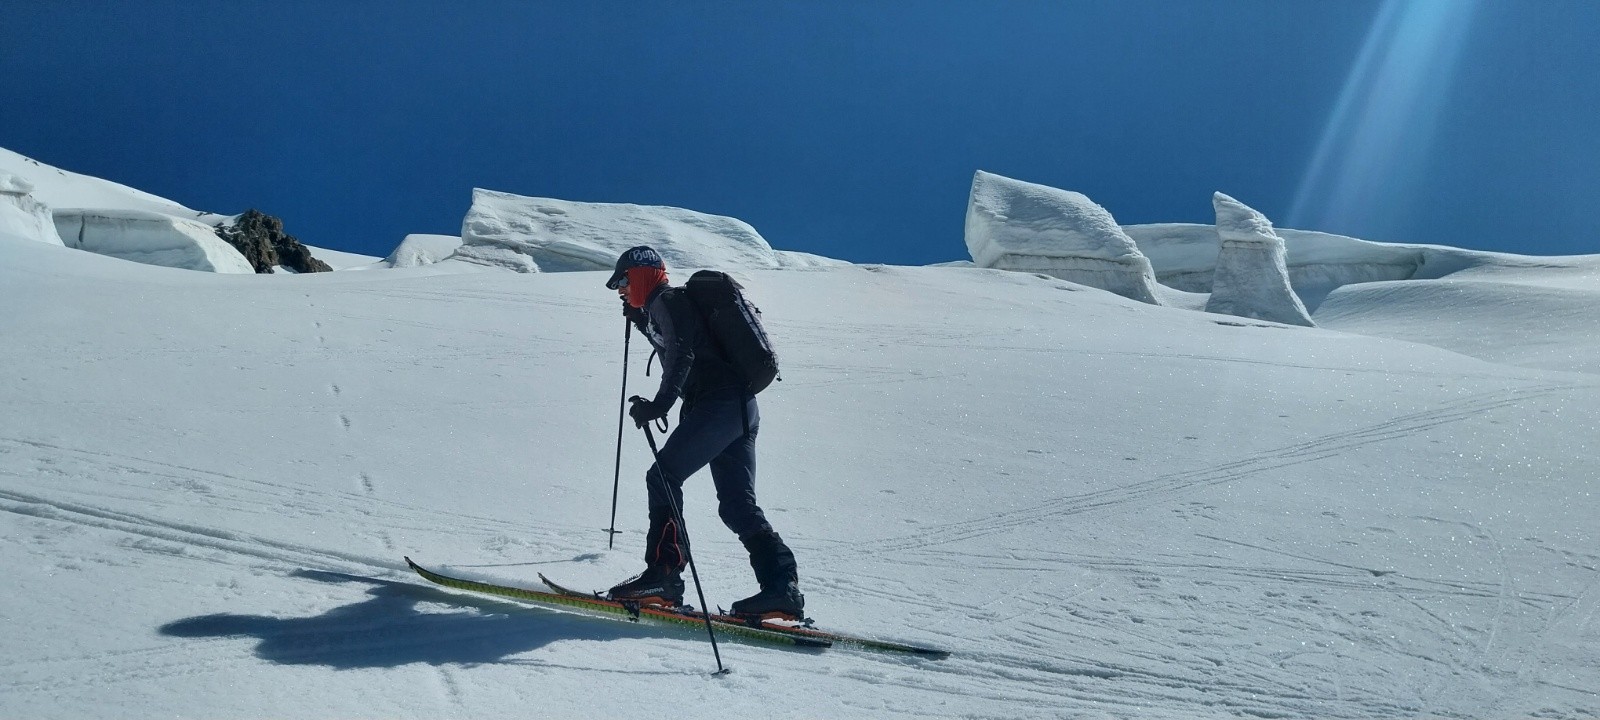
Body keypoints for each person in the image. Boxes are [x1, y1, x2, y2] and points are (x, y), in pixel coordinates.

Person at [602, 245, 804, 619]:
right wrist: (642, 320)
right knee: (737, 505)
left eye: (623, 281)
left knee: (662, 476)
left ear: (643, 274)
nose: (620, 290)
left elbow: (683, 353)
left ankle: (664, 576)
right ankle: (782, 589)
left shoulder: (667, 299)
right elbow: (683, 343)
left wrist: (660, 405)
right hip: (738, 407)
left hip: (718, 403)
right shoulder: (663, 307)